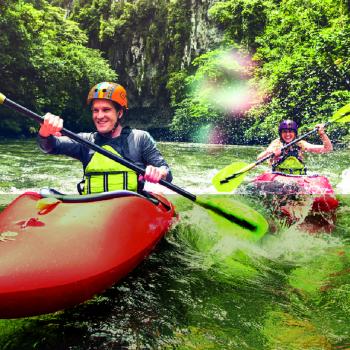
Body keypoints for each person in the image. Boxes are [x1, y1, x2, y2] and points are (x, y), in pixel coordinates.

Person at [38, 82, 172, 194]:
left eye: (106, 110)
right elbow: (50, 146)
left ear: (119, 113)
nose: (99, 116)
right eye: (95, 110)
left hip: (130, 210)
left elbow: (166, 172)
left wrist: (159, 172)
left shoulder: (139, 138)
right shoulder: (86, 141)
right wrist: (45, 130)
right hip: (93, 211)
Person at [256, 119, 333, 174]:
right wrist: (270, 152)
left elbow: (327, 149)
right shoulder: (276, 144)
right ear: (280, 133)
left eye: (290, 131)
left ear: (295, 133)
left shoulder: (300, 144)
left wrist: (322, 134)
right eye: (284, 132)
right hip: (279, 176)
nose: (287, 134)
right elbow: (259, 158)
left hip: (298, 176)